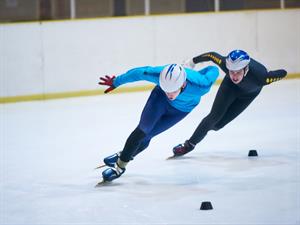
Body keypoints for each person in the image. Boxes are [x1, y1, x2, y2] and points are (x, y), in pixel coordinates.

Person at [98, 63, 219, 182]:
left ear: (183, 84)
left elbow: (213, 69)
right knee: (143, 130)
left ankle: (124, 154)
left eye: (173, 90)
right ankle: (120, 167)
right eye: (166, 89)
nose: (170, 94)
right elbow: (138, 73)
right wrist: (116, 82)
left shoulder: (201, 85)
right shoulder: (158, 74)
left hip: (181, 110)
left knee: (148, 136)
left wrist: (196, 70)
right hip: (159, 98)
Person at [172, 50, 287, 157]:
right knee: (213, 117)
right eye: (231, 72)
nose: (234, 76)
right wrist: (192, 61)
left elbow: (283, 73)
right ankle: (189, 145)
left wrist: (271, 76)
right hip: (230, 87)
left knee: (217, 126)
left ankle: (206, 129)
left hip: (248, 95)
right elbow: (212, 55)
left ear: (246, 69)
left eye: (238, 72)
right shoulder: (226, 64)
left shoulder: (261, 77)